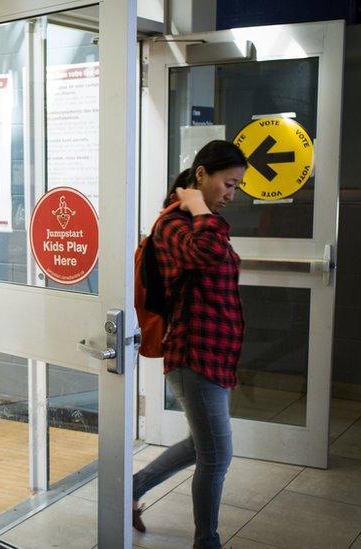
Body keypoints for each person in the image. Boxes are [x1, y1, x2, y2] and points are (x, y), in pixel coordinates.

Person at [131, 140, 247, 548]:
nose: (231, 196)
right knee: (217, 454)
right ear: (201, 175)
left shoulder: (200, 219)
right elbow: (208, 251)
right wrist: (198, 205)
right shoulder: (175, 224)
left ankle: (131, 488)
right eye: (228, 184)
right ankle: (207, 541)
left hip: (214, 356)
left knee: (204, 445)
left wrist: (203, 209)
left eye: (236, 187)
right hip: (193, 355)